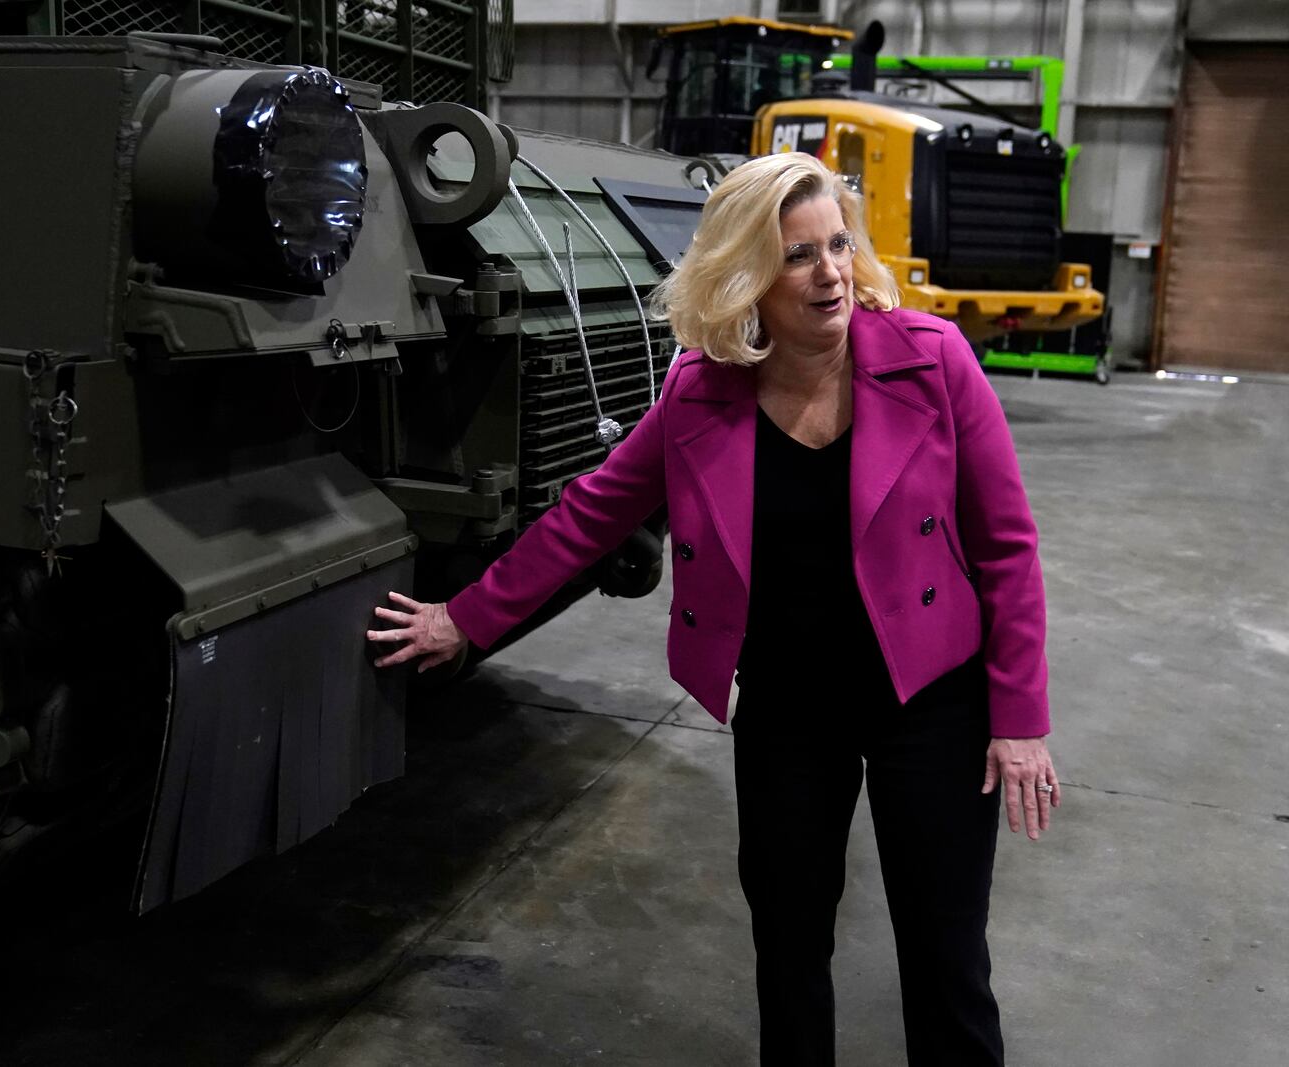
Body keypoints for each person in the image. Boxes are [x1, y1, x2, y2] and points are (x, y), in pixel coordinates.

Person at [367, 151, 1059, 1066]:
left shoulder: (934, 362)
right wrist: (467, 617)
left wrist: (1019, 721)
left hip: (929, 698)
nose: (831, 274)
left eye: (838, 246)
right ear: (746, 279)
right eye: (798, 257)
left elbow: (1007, 549)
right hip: (787, 707)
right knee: (788, 943)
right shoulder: (701, 390)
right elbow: (593, 514)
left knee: (944, 956)